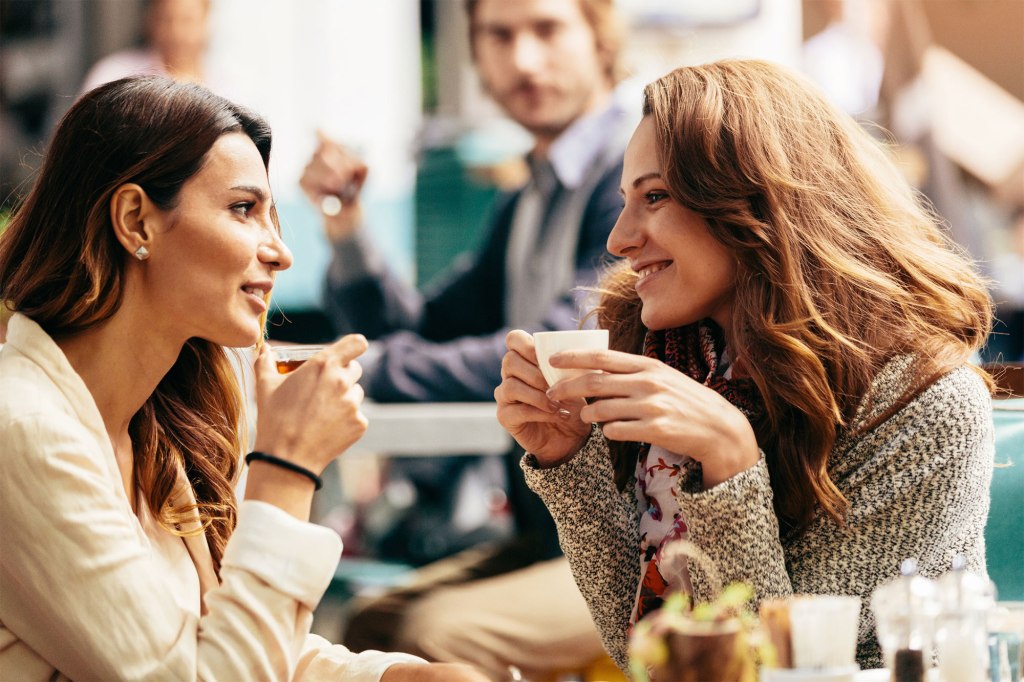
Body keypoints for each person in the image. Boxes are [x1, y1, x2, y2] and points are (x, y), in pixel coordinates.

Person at [494, 59, 995, 673]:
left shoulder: (924, 403)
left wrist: (730, 464)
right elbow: (645, 656)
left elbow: (793, 669)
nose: (619, 238)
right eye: (626, 200)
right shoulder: (668, 357)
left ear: (755, 204)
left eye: (654, 197)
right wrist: (571, 462)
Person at [0, 76, 487, 682]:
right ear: (135, 221)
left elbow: (240, 643)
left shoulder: (162, 424)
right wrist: (287, 468)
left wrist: (396, 677)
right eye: (243, 209)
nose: (280, 251)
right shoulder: (25, 429)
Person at [298, 0, 631, 676]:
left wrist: (368, 366)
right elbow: (417, 328)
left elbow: (553, 351)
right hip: (547, 538)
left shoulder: (634, 175)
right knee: (369, 629)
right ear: (476, 56)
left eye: (546, 29)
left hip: (633, 542)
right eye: (499, 36)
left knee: (429, 637)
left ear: (599, 37)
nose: (523, 59)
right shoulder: (526, 197)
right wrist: (346, 227)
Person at [81, 0, 213, 93]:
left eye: (187, 20)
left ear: (206, 19)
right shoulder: (113, 73)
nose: (176, 32)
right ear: (151, 19)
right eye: (166, 19)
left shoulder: (228, 82)